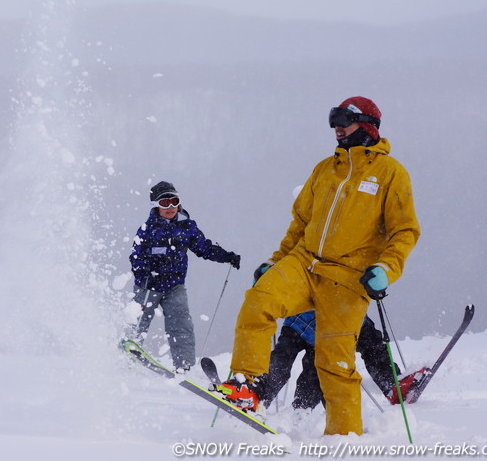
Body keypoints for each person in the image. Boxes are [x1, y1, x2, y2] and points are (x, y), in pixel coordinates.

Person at [214, 96, 420, 435]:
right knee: (259, 299)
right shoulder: (325, 169)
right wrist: (275, 262)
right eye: (333, 120)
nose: (336, 127)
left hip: (348, 279)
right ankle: (245, 384)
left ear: (367, 124)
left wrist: (386, 270)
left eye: (343, 119)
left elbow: (404, 231)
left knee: (334, 365)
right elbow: (300, 224)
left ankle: (343, 439)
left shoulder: (390, 174)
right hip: (304, 263)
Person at [129, 181, 240, 372]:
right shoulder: (147, 230)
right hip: (148, 284)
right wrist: (145, 273)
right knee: (139, 319)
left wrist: (226, 256)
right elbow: (136, 255)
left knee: (181, 324)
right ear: (155, 206)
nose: (170, 207)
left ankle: (184, 366)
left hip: (174, 286)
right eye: (165, 203)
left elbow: (203, 248)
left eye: (174, 201)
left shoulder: (186, 227)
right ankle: (128, 354)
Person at [263, 311, 414, 410]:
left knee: (313, 373)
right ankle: (260, 399)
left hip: (341, 320)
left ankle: (393, 387)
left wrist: (374, 279)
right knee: (286, 364)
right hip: (306, 321)